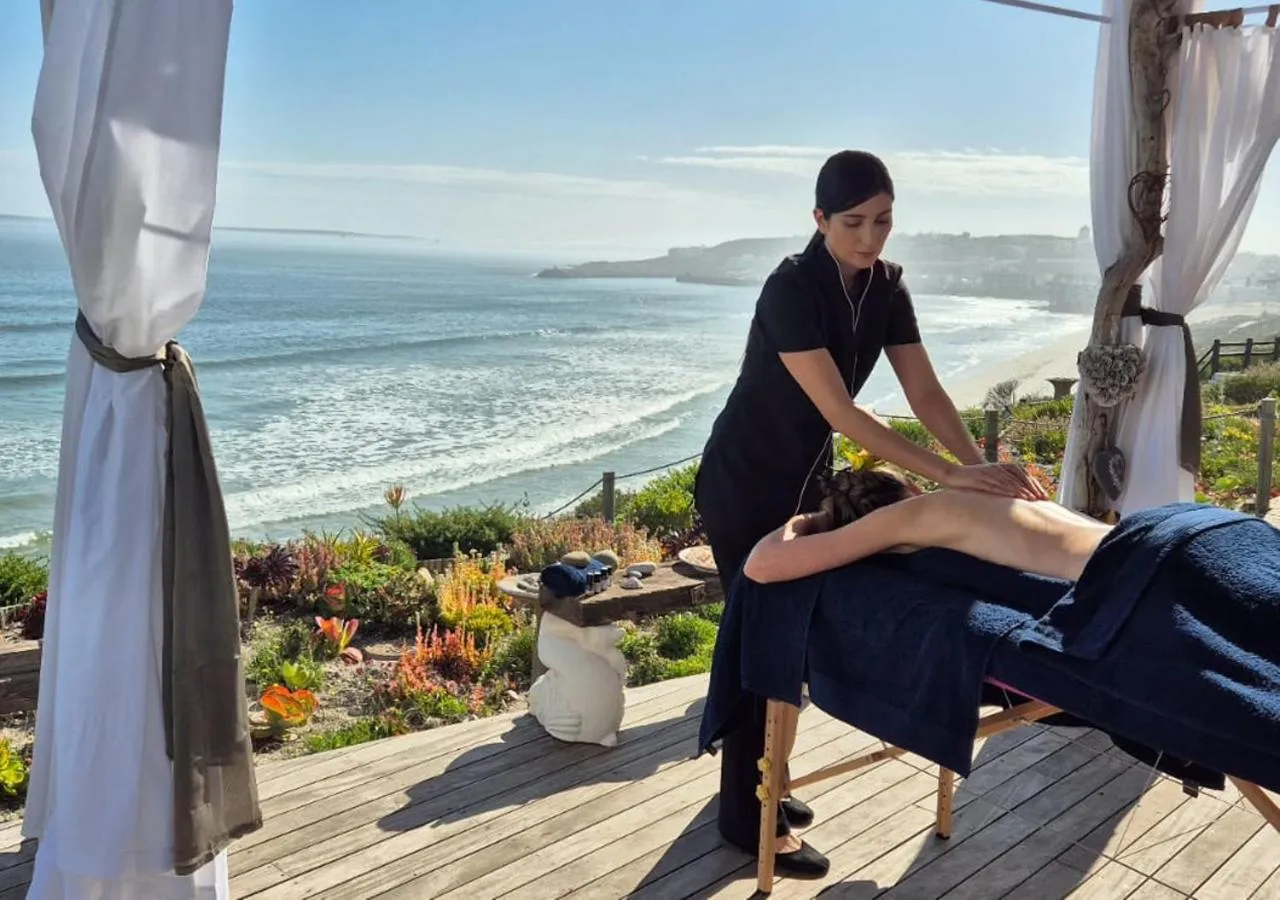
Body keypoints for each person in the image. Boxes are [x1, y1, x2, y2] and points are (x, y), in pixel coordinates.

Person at [693, 149, 1047, 877]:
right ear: (819, 219)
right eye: (852, 222)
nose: (869, 237)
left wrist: (978, 465)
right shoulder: (791, 288)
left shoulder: (887, 286)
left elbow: (924, 390)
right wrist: (949, 475)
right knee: (764, 637)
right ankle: (742, 814)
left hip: (806, 481)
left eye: (882, 221)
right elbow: (841, 411)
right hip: (746, 481)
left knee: (790, 636)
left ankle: (764, 788)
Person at [743, 466, 1112, 585]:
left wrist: (813, 518)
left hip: (1121, 570)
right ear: (912, 485)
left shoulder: (909, 516)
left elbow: (761, 564)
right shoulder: (977, 491)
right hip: (1130, 538)